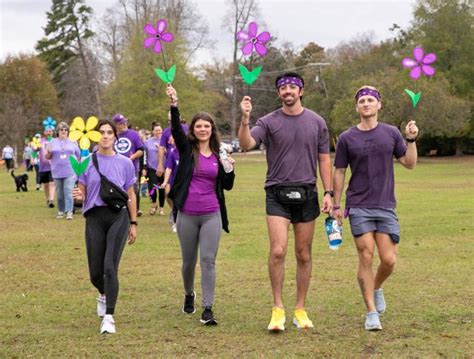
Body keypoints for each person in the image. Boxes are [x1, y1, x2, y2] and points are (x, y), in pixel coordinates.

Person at [238, 72, 332, 331]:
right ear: (279, 93)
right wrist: (245, 119)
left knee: (303, 253)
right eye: (283, 88)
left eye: (292, 87)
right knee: (278, 250)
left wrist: (329, 192)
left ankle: (300, 309)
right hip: (277, 192)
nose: (288, 91)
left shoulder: (317, 122)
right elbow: (246, 144)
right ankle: (277, 309)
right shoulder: (267, 121)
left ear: (301, 91)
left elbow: (324, 159)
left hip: (307, 193)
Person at [332, 85, 418, 331]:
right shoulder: (347, 137)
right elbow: (339, 171)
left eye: (370, 100)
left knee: (389, 260)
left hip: (385, 205)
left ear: (379, 105)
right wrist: (336, 205)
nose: (366, 104)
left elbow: (409, 163)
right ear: (357, 107)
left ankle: (377, 286)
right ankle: (371, 312)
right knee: (366, 255)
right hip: (358, 205)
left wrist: (410, 139)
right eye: (362, 101)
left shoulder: (391, 133)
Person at [166, 84, 235, 326]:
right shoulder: (186, 150)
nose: (203, 129)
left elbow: (227, 186)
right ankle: (188, 293)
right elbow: (175, 128)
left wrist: (229, 170)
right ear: (193, 130)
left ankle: (207, 308)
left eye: (207, 126)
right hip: (186, 214)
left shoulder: (220, 153)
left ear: (212, 129)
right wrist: (174, 104)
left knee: (208, 261)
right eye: (199, 126)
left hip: (211, 215)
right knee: (188, 262)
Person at [72, 119, 137, 334]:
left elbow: (130, 195)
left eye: (110, 132)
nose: (106, 136)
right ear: (94, 136)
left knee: (110, 266)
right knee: (95, 273)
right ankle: (102, 293)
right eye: (101, 132)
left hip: (118, 217)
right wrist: (78, 195)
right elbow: (81, 192)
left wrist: (134, 222)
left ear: (115, 138)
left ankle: (109, 317)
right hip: (94, 218)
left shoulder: (125, 163)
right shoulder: (86, 162)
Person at [45, 122, 80, 219]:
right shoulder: (52, 142)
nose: (63, 131)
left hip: (70, 171)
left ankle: (69, 212)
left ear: (68, 132)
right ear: (58, 131)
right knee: (60, 194)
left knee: (68, 191)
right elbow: (47, 157)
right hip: (57, 171)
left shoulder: (73, 142)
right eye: (61, 129)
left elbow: (78, 156)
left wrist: (77, 167)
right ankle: (61, 211)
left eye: (65, 130)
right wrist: (48, 152)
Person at [112, 114, 144, 217]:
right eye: (121, 123)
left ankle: (135, 209)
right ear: (116, 125)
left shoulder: (133, 134)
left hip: (131, 167)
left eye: (125, 122)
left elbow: (141, 150)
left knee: (133, 189)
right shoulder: (112, 135)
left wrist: (132, 157)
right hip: (115, 167)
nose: (124, 125)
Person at [143, 123, 166, 215]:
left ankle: (161, 208)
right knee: (152, 187)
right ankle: (153, 204)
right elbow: (145, 155)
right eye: (156, 130)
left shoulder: (165, 141)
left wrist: (162, 150)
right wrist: (144, 168)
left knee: (161, 188)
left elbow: (170, 154)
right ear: (153, 131)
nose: (158, 132)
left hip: (163, 168)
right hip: (151, 168)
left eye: (160, 130)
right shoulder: (147, 142)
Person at [161, 136, 179, 232]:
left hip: (187, 184)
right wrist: (165, 181)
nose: (171, 141)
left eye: (173, 139)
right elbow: (168, 168)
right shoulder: (173, 153)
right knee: (175, 202)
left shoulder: (189, 152)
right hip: (175, 183)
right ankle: (176, 223)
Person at [39, 129, 56, 207]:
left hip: (53, 166)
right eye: (47, 131)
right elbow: (34, 150)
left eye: (50, 131)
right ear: (44, 132)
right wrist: (32, 157)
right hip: (43, 166)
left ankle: (51, 200)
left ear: (53, 132)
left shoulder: (56, 141)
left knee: (52, 183)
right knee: (46, 185)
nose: (49, 133)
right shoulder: (40, 141)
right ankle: (48, 199)